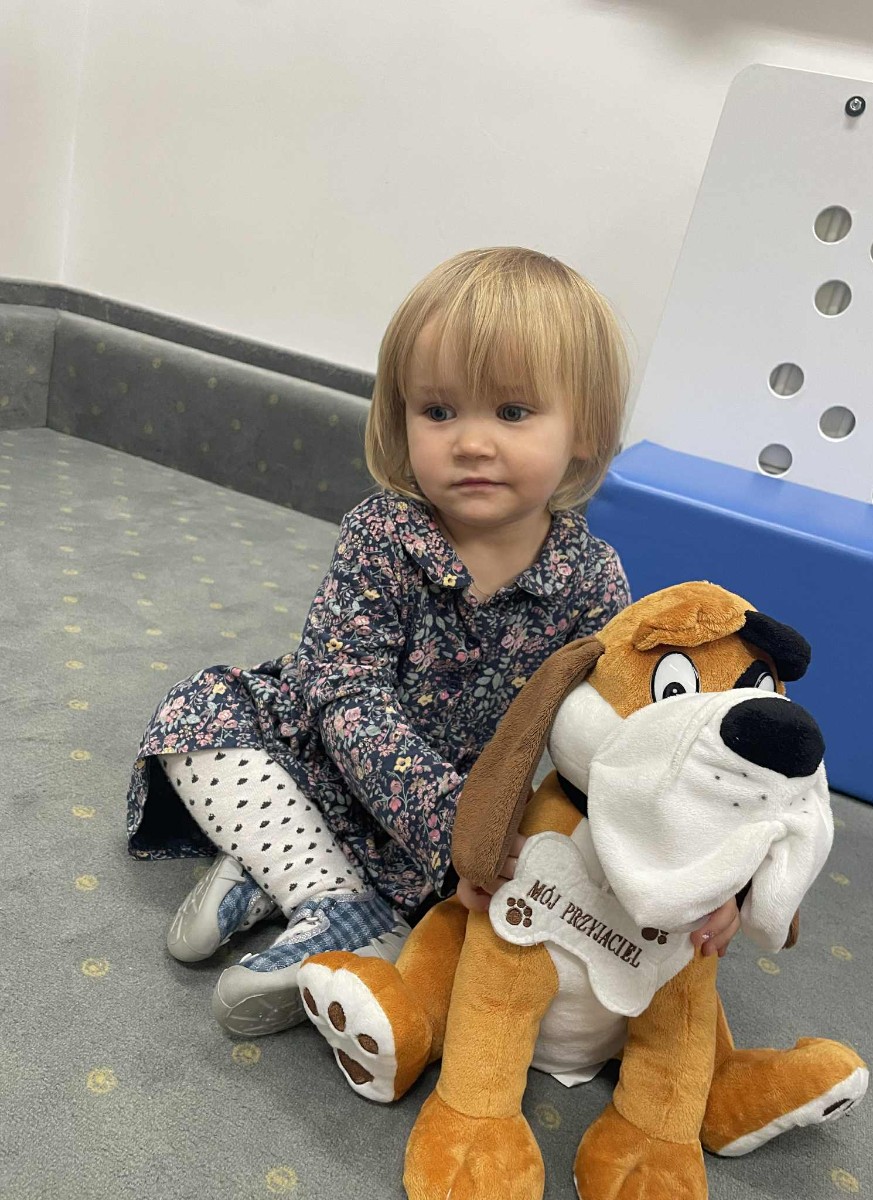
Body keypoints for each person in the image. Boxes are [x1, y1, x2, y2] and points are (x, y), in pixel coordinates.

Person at [126, 246, 739, 1040]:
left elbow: (632, 739)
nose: (471, 443)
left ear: (584, 431)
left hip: (467, 817)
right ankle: (321, 892)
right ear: (402, 417)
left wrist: (708, 874)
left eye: (512, 413)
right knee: (198, 716)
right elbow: (342, 693)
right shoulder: (382, 532)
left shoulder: (593, 579)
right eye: (440, 412)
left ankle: (294, 881)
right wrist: (445, 820)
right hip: (332, 758)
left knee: (524, 879)